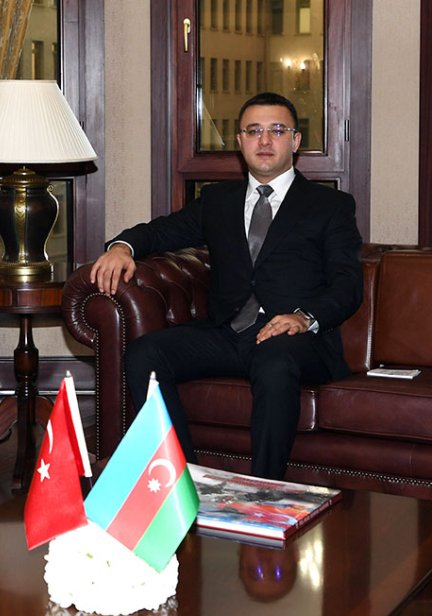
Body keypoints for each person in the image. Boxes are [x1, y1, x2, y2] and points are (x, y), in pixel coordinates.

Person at [89, 92, 363, 480]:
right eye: (253, 131)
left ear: (295, 141)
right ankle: (185, 480)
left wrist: (303, 317)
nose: (264, 140)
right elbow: (162, 231)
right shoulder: (218, 200)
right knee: (145, 353)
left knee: (274, 360)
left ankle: (265, 489)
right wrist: (122, 247)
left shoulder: (330, 205)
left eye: (277, 130)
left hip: (297, 340)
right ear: (239, 141)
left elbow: (348, 284)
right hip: (229, 332)